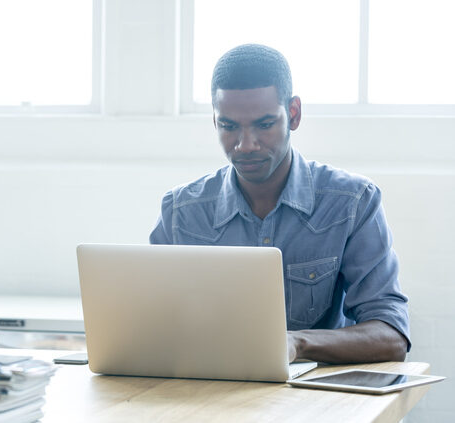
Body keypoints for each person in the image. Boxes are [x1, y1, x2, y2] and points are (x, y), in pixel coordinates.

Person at [150, 44, 409, 364]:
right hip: (209, 392)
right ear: (215, 122)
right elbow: (149, 323)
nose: (245, 145)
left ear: (294, 114)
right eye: (229, 126)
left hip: (313, 400)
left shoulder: (352, 202)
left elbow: (391, 336)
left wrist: (297, 343)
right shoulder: (181, 212)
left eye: (264, 124)